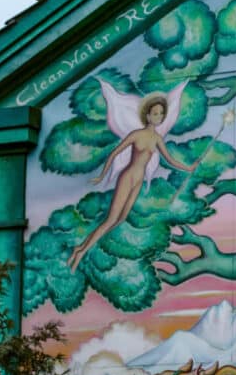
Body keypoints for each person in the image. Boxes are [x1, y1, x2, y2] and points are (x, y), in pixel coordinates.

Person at [68, 90, 194, 272]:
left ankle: (80, 247)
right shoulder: (137, 134)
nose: (158, 117)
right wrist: (103, 175)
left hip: (139, 179)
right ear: (148, 115)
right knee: (111, 219)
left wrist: (188, 167)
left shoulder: (157, 138)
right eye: (155, 113)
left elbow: (170, 159)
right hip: (128, 176)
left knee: (121, 219)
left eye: (161, 114)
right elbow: (114, 153)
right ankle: (81, 252)